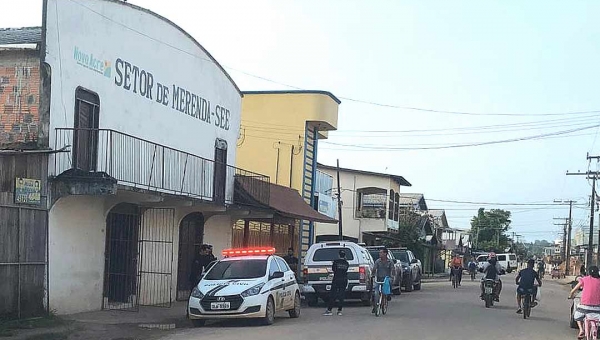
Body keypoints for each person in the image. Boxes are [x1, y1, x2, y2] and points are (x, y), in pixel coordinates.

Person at [570, 266, 600, 339]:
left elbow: (573, 290)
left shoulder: (584, 279)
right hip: (597, 309)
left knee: (576, 316)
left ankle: (581, 330)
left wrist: (571, 295)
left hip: (584, 307)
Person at [323, 250, 349, 316]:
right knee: (341, 295)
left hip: (336, 279)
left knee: (333, 295)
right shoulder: (346, 263)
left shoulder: (336, 262)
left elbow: (333, 269)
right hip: (344, 280)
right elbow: (346, 270)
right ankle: (339, 311)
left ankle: (329, 310)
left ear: (339, 255)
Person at [371, 248, 394, 313]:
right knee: (375, 292)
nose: (380, 254)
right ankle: (375, 305)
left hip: (387, 278)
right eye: (379, 253)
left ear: (385, 253)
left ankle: (389, 294)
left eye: (381, 252)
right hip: (379, 278)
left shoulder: (390, 262)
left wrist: (392, 276)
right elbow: (374, 269)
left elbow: (392, 270)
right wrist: (372, 275)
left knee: (389, 282)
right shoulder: (377, 261)